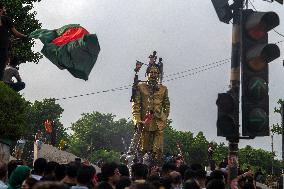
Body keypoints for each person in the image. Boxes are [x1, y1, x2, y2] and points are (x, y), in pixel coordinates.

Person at [132, 56, 170, 162]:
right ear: (147, 74)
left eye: (156, 73)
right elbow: (136, 106)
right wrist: (137, 120)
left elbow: (167, 105)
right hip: (145, 122)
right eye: (151, 72)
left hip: (159, 121)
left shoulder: (163, 89)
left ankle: (157, 168)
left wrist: (165, 117)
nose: (154, 75)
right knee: (144, 149)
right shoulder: (140, 87)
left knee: (157, 151)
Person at [0, 3, 27, 81]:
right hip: (2, 48)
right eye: (4, 8)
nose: (5, 10)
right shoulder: (6, 19)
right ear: (1, 10)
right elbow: (16, 33)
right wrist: (26, 36)